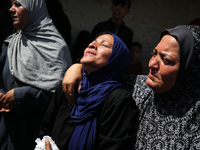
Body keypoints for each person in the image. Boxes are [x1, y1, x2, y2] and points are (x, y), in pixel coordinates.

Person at [62, 25, 200, 149]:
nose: (152, 64)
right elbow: (104, 75)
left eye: (166, 60)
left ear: (190, 70)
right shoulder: (137, 88)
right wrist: (79, 68)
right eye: (154, 54)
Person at [37, 32, 139, 150]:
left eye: (104, 45)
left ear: (116, 59)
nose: (92, 45)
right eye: (92, 42)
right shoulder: (70, 86)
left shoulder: (118, 100)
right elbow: (45, 130)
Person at [0, 0, 72, 149]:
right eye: (11, 4)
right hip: (5, 129)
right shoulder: (10, 43)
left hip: (32, 133)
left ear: (34, 9)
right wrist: (1, 94)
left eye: (18, 4)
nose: (11, 9)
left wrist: (20, 96)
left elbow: (60, 96)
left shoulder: (57, 49)